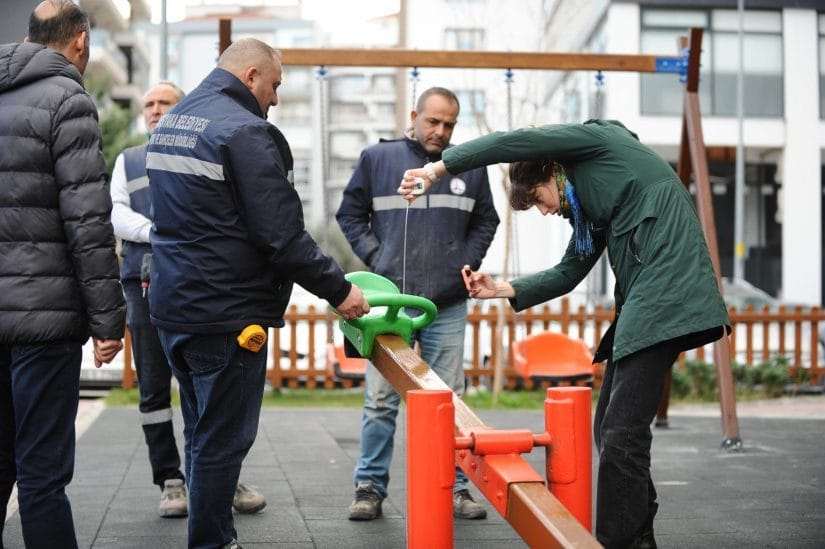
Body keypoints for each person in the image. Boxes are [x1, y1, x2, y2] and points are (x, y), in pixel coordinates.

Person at [400, 120, 730, 548]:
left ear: (550, 171)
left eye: (538, 198)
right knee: (609, 429)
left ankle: (622, 542)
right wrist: (504, 288)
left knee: (621, 434)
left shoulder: (599, 144)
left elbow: (509, 142)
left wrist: (437, 170)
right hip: (649, 302)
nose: (544, 210)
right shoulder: (592, 213)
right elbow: (571, 270)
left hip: (667, 292)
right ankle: (639, 534)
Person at [146, 38, 369, 549]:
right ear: (250, 75)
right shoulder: (245, 131)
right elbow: (281, 236)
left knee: (201, 433)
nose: (275, 98)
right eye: (274, 85)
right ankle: (213, 543)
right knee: (222, 443)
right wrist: (340, 291)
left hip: (174, 307)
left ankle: (214, 538)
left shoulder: (175, 122)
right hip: (227, 315)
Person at [337, 87, 499, 521]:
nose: (440, 131)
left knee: (449, 399)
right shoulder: (378, 159)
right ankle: (369, 487)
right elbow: (349, 215)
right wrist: (377, 257)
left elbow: (488, 220)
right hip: (391, 304)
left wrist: (464, 263)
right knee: (381, 400)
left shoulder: (469, 165)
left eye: (449, 124)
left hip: (446, 301)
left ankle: (459, 489)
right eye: (433, 121)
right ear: (415, 115)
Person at [111, 82, 267, 519]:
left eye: (166, 103)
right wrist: (159, 235)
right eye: (149, 104)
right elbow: (117, 214)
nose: (156, 110)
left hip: (196, 283)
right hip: (143, 284)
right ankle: (172, 481)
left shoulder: (206, 150)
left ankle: (219, 480)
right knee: (154, 389)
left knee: (209, 389)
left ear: (185, 111)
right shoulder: (129, 160)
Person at [0, 1, 125, 547]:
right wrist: (108, 322)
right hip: (42, 321)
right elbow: (87, 219)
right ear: (79, 40)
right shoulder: (67, 98)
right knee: (42, 476)